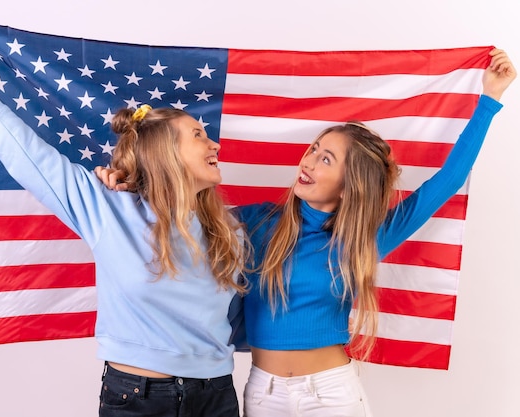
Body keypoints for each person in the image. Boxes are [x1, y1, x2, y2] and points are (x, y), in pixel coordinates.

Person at [96, 48, 516, 416]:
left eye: (327, 159)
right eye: (314, 148)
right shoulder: (255, 223)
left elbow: (448, 179)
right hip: (263, 392)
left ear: (351, 183)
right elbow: (182, 202)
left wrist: (491, 97)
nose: (309, 162)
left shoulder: (364, 239)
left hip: (333, 393)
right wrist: (131, 178)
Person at [0, 15, 248, 417]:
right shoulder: (105, 206)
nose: (214, 142)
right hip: (138, 399)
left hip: (217, 397)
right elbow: (24, 151)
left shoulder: (229, 229)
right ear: (165, 153)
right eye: (199, 134)